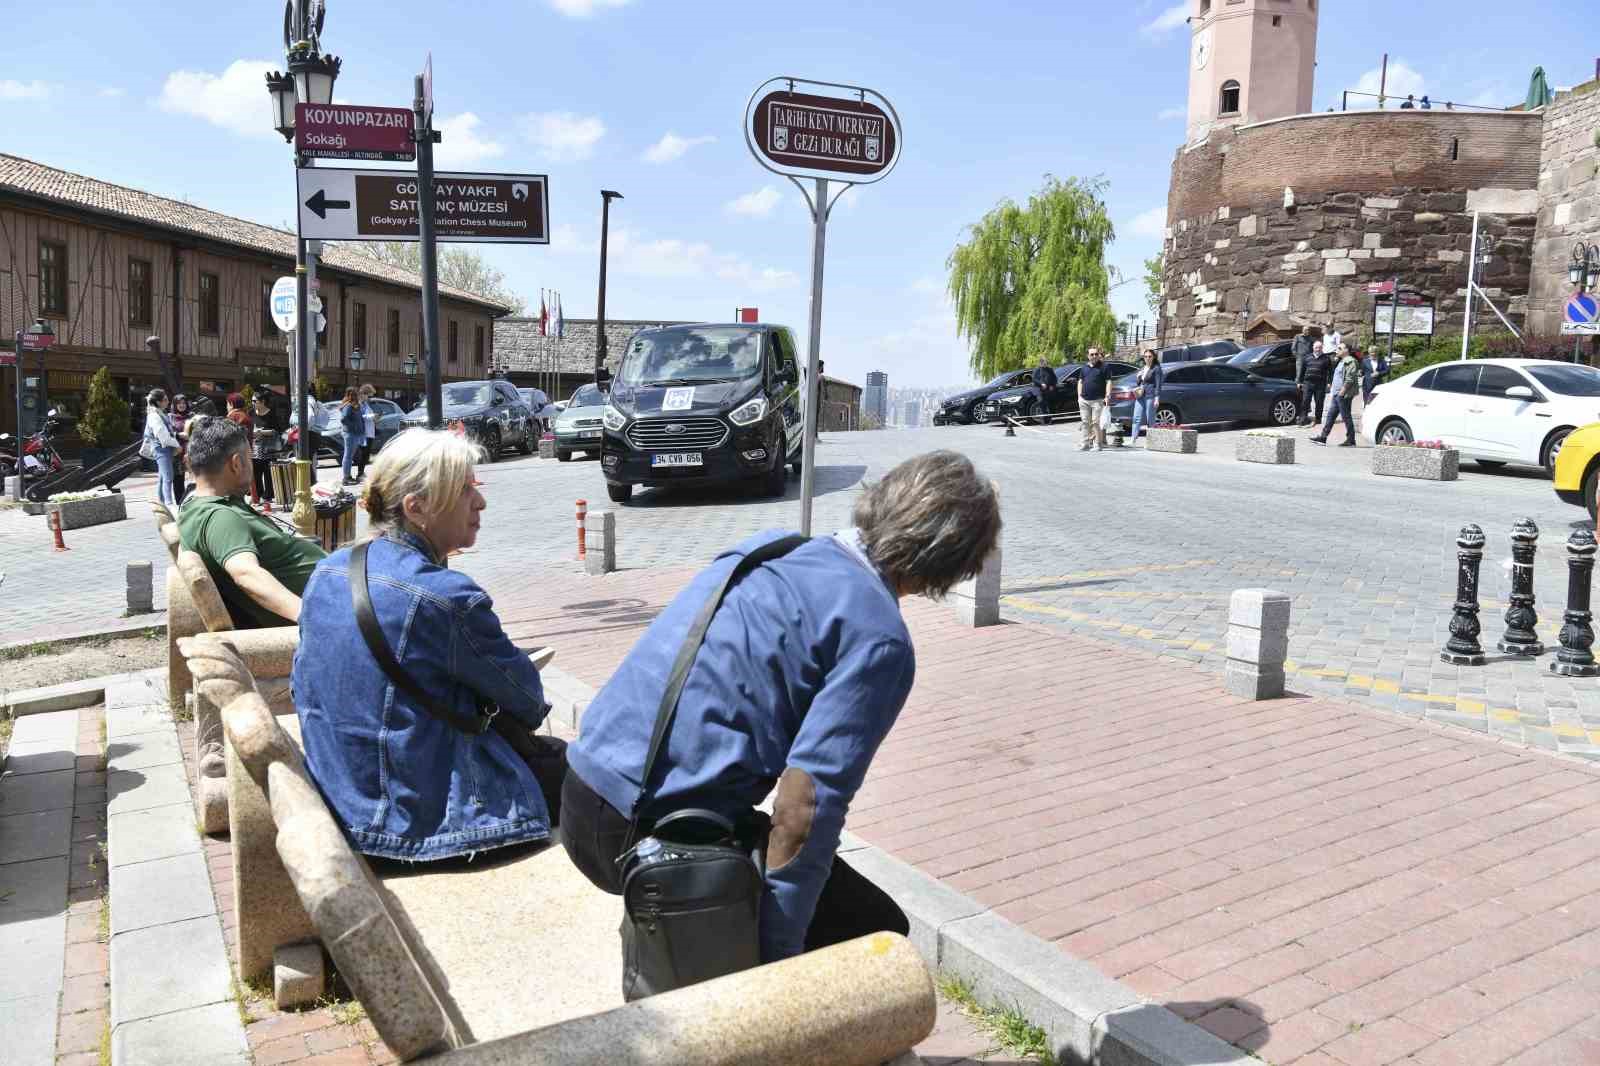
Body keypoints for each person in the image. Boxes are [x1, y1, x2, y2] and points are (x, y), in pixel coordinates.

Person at [564, 451, 1002, 965]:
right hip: (640, 832)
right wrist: (776, 960)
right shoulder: (878, 638)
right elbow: (805, 811)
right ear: (953, 561)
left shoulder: (771, 548)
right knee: (876, 937)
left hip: (581, 792)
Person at [293, 429, 552, 861]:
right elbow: (529, 702)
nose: (480, 502)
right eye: (464, 490)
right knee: (596, 781)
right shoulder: (448, 597)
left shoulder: (327, 572)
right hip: (420, 825)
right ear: (416, 508)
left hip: (340, 796)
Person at [176, 417, 327, 627]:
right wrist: (312, 618)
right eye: (249, 458)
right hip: (335, 606)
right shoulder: (220, 516)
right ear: (236, 463)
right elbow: (246, 573)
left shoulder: (198, 507)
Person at [1311, 344, 1360, 447]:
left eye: (1340, 348)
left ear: (1346, 350)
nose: (1337, 350)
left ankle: (1351, 440)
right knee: (1331, 416)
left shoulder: (1351, 361)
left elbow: (1350, 379)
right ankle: (1323, 437)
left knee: (1346, 417)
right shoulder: (1341, 361)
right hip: (1336, 394)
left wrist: (1342, 391)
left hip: (1343, 394)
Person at [143, 388, 181, 506]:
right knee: (168, 477)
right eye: (165, 400)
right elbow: (163, 437)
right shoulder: (155, 415)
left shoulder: (158, 413)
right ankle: (168, 503)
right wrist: (177, 445)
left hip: (162, 448)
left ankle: (161, 502)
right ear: (158, 402)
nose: (167, 402)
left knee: (162, 476)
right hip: (161, 449)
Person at [250, 392, 282, 505]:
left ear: (262, 401)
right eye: (252, 401)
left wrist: (263, 432)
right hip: (255, 448)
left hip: (269, 449)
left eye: (255, 401)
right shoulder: (251, 413)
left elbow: (277, 430)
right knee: (256, 473)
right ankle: (257, 495)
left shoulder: (271, 414)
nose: (252, 403)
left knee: (268, 472)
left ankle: (268, 496)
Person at [1078, 348, 1112, 451]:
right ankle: (1085, 444)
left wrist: (1107, 395)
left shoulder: (1104, 367)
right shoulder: (1084, 368)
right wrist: (1079, 396)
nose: (1094, 356)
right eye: (1092, 354)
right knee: (1085, 422)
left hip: (1098, 400)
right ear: (1088, 356)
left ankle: (1098, 444)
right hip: (1084, 400)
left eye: (1096, 354)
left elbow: (1109, 382)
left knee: (1096, 423)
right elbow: (1080, 381)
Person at [1129, 348, 1163, 445]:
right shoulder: (1143, 368)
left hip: (1150, 395)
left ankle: (1151, 441)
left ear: (1153, 357)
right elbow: (1139, 383)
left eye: (1149, 356)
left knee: (1150, 419)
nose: (1147, 358)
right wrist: (1138, 377)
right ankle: (1133, 438)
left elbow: (1158, 384)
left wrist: (1157, 398)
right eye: (1145, 356)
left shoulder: (1156, 368)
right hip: (1140, 395)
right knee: (1136, 417)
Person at [338, 387, 366, 486]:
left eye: (356, 394)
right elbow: (343, 419)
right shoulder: (348, 406)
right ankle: (346, 478)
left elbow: (359, 418)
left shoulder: (355, 406)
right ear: (350, 395)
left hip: (355, 433)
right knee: (348, 456)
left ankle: (348, 476)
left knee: (350, 456)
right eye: (355, 394)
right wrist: (354, 426)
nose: (357, 396)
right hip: (350, 433)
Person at [1300, 340, 1330, 427]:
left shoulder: (1326, 358)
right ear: (1313, 348)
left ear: (1322, 348)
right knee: (1305, 401)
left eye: (1320, 347)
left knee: (1319, 402)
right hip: (1308, 383)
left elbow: (1330, 372)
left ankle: (1318, 419)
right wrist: (1299, 382)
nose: (1318, 349)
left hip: (1320, 384)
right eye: (1316, 347)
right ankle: (1303, 419)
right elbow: (1302, 370)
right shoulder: (1307, 357)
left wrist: (1329, 382)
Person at [356, 384, 379, 478]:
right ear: (363, 394)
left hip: (369, 432)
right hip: (364, 432)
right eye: (368, 395)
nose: (369, 398)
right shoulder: (360, 404)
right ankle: (360, 473)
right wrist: (372, 416)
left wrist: (374, 419)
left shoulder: (365, 404)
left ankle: (361, 472)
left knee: (366, 454)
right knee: (363, 453)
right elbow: (360, 417)